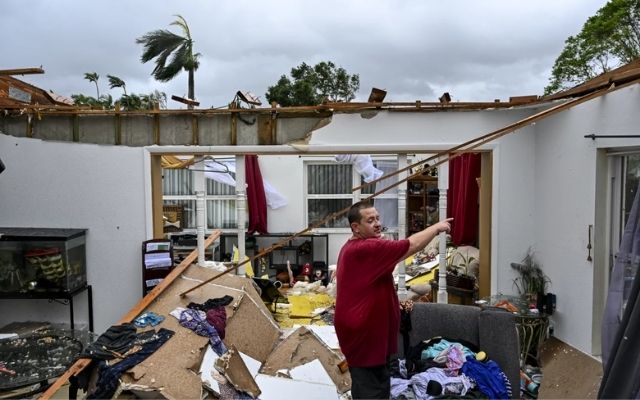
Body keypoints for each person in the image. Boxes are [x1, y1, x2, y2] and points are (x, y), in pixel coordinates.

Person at [334, 201, 452, 399]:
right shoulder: (366, 248)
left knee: (376, 384)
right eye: (370, 220)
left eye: (378, 218)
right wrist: (437, 227)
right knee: (371, 390)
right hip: (364, 335)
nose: (377, 224)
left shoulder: (357, 246)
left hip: (368, 334)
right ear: (356, 227)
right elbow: (412, 245)